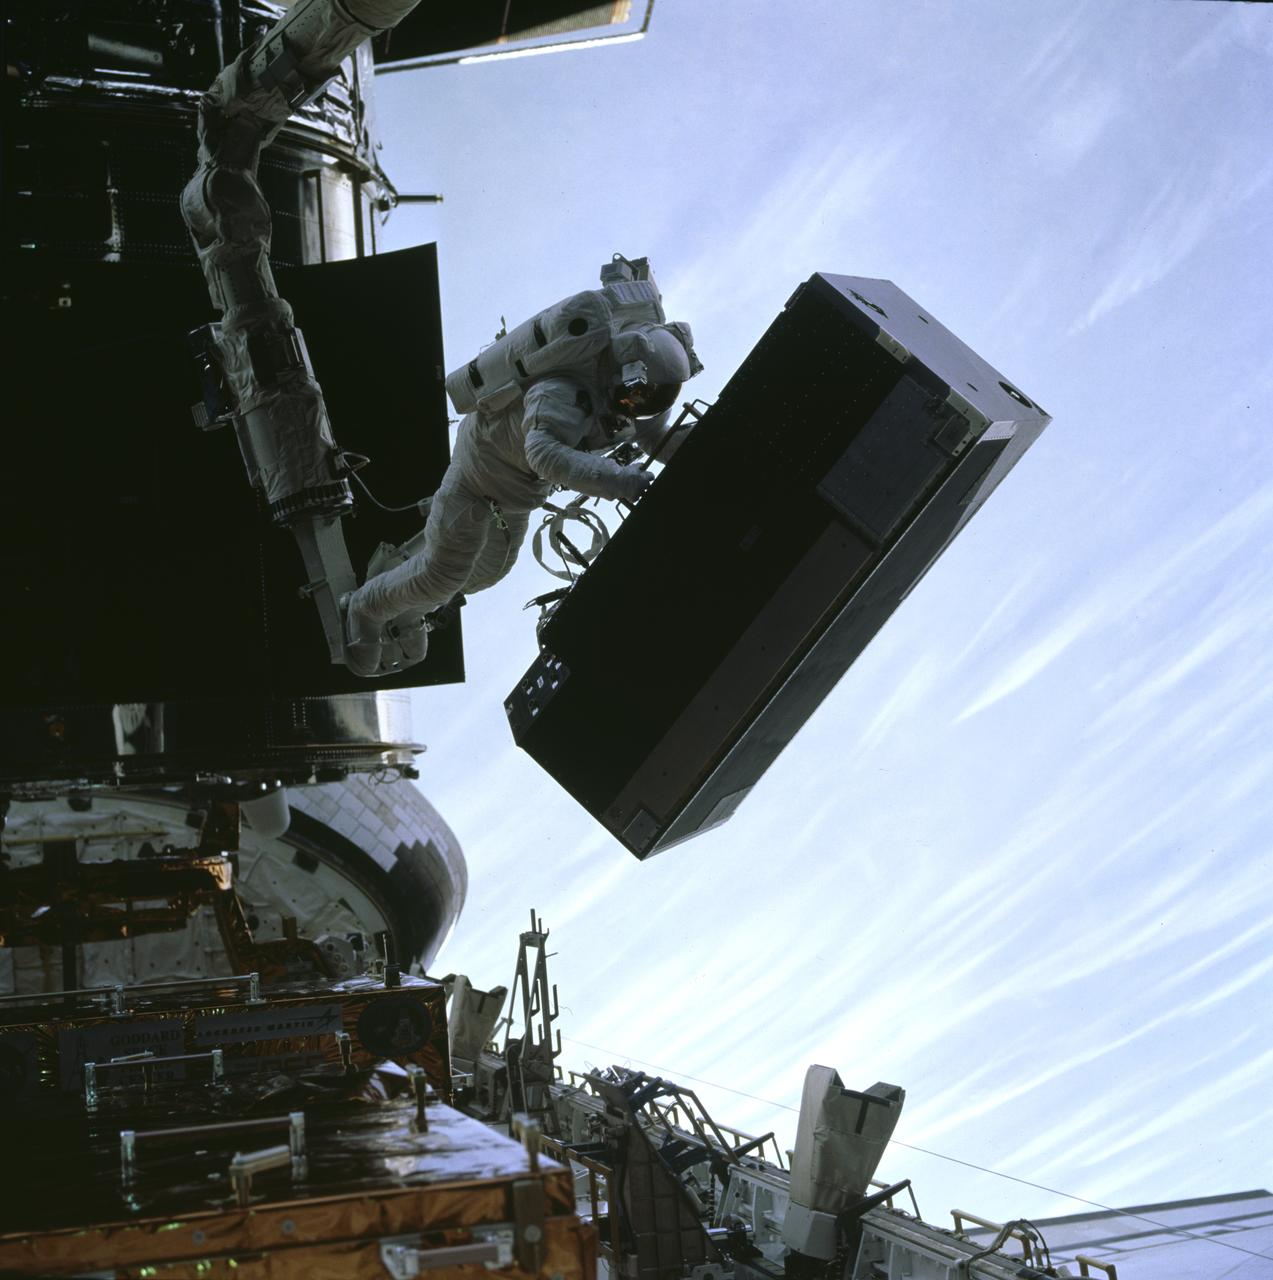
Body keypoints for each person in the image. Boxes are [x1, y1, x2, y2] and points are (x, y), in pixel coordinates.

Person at [341, 309, 700, 677]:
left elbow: (656, 437)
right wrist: (619, 480)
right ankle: (365, 608)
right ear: (624, 370)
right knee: (445, 572)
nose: (642, 403)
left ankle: (409, 617)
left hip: (514, 498)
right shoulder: (561, 392)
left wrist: (704, 450)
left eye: (656, 396)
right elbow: (544, 454)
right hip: (475, 479)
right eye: (640, 392)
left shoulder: (637, 402)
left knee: (491, 570)